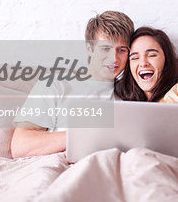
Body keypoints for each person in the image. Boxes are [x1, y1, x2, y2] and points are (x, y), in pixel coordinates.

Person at [10, 11, 134, 158]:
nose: (114, 58)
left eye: (121, 50)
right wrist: (86, 135)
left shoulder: (130, 96)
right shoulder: (56, 84)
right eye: (105, 48)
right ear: (89, 48)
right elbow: (21, 146)